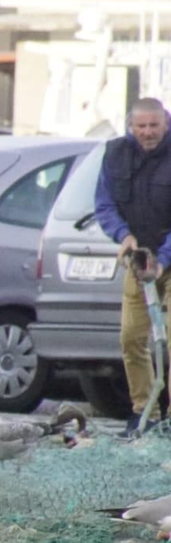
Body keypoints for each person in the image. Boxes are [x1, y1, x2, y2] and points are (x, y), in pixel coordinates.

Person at [95, 97, 171, 438]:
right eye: (141, 126)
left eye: (154, 125)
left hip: (167, 257)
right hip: (139, 260)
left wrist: (164, 260)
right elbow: (105, 204)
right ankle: (145, 414)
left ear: (165, 124)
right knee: (131, 337)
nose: (147, 132)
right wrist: (123, 236)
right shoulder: (115, 154)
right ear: (131, 126)